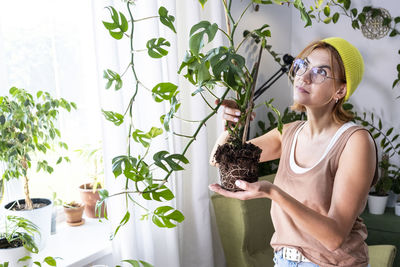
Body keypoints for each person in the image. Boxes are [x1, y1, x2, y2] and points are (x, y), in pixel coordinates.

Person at [209, 37, 378, 267]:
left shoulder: (355, 141)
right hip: (283, 261)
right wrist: (231, 128)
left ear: (340, 90)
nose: (304, 76)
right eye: (303, 65)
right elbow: (220, 161)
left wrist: (273, 193)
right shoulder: (287, 133)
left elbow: (334, 238)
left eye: (320, 72)